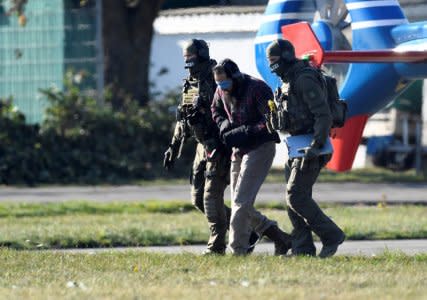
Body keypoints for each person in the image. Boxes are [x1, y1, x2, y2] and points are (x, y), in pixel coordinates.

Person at [163, 39, 257, 255]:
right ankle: (249, 230)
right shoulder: (190, 83)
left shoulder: (217, 78)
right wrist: (173, 146)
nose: (188, 63)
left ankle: (216, 246)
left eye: (192, 58)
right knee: (198, 199)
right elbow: (184, 118)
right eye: (186, 59)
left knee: (211, 198)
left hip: (220, 146)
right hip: (201, 146)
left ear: (202, 56)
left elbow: (234, 111)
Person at [266, 39, 345, 258]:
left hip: (313, 145)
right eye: (269, 61)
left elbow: (323, 114)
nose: (272, 65)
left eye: (275, 60)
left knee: (296, 196)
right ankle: (303, 248)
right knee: (293, 199)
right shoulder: (286, 81)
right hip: (295, 145)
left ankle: (331, 235)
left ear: (287, 57)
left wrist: (316, 144)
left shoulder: (304, 79)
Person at [211, 58, 292, 256]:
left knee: (240, 202)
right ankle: (279, 237)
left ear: (235, 77)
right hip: (238, 150)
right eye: (219, 83)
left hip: (260, 148)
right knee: (240, 203)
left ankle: (238, 250)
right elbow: (216, 110)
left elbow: (270, 121)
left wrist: (246, 131)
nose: (223, 87)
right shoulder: (220, 90)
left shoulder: (257, 88)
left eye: (225, 82)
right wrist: (223, 125)